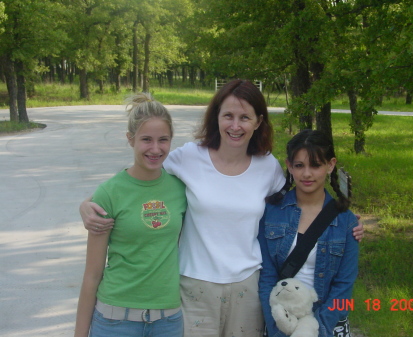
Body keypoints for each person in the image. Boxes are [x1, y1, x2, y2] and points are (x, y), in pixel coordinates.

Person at [79, 80, 364, 337]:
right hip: (194, 288)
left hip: (248, 288)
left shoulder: (268, 168)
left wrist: (343, 219)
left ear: (258, 121)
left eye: (244, 117)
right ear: (216, 118)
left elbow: (300, 201)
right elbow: (136, 179)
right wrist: (88, 203)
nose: (235, 126)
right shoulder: (189, 157)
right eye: (228, 115)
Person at [74, 93, 187, 337]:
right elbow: (92, 274)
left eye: (163, 140)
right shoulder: (109, 192)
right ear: (130, 139)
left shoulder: (181, 189)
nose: (155, 149)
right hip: (116, 320)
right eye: (146, 139)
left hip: (168, 320)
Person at [258, 129, 359, 337]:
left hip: (328, 325)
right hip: (282, 320)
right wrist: (278, 328)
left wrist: (319, 329)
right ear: (289, 166)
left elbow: (344, 285)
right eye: (299, 165)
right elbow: (266, 277)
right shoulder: (272, 213)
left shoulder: (346, 221)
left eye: (315, 165)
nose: (306, 174)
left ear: (330, 165)